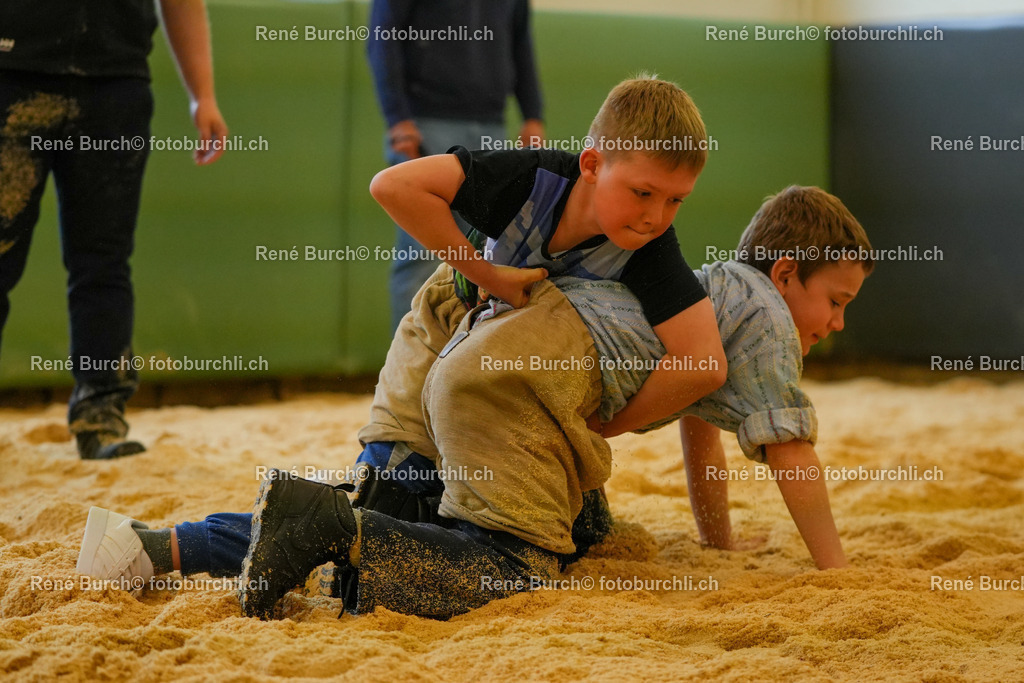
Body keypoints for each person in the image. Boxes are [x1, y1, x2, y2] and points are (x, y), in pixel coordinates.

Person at [78, 74, 728, 619]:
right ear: (591, 163)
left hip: (497, 408)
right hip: (437, 367)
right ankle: (186, 545)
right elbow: (393, 185)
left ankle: (155, 546)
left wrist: (605, 422)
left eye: (676, 201)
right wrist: (489, 272)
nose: (655, 215)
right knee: (414, 523)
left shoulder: (648, 248)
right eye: (643, 191)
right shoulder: (530, 177)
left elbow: (703, 361)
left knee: (559, 528)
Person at [0, 0, 228, 460]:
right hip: (12, 72)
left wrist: (202, 94)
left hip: (115, 84)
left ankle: (100, 413)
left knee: (103, 259)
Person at [366, 0, 546, 332]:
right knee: (421, 254)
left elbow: (520, 40)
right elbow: (382, 37)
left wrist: (533, 115)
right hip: (426, 121)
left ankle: (457, 369)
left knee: (484, 254)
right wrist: (398, 120)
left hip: (491, 125)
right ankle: (409, 374)